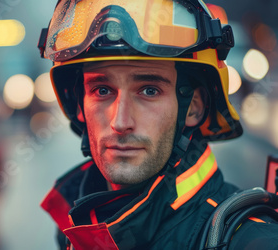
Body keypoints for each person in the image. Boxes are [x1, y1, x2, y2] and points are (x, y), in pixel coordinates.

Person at [37, 0, 278, 249]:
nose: (120, 122)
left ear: (193, 106)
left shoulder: (251, 240)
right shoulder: (75, 224)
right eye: (102, 90)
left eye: (149, 90)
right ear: (79, 105)